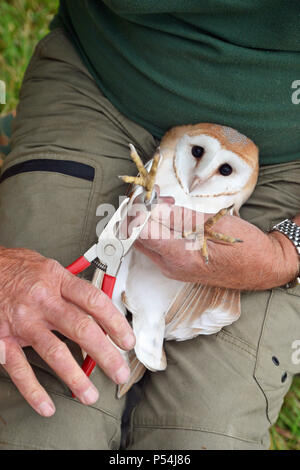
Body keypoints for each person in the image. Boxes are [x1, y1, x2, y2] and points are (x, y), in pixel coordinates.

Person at [0, 1, 299, 450]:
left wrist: (288, 249)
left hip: (284, 160)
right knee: (47, 422)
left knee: (205, 434)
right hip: (102, 86)